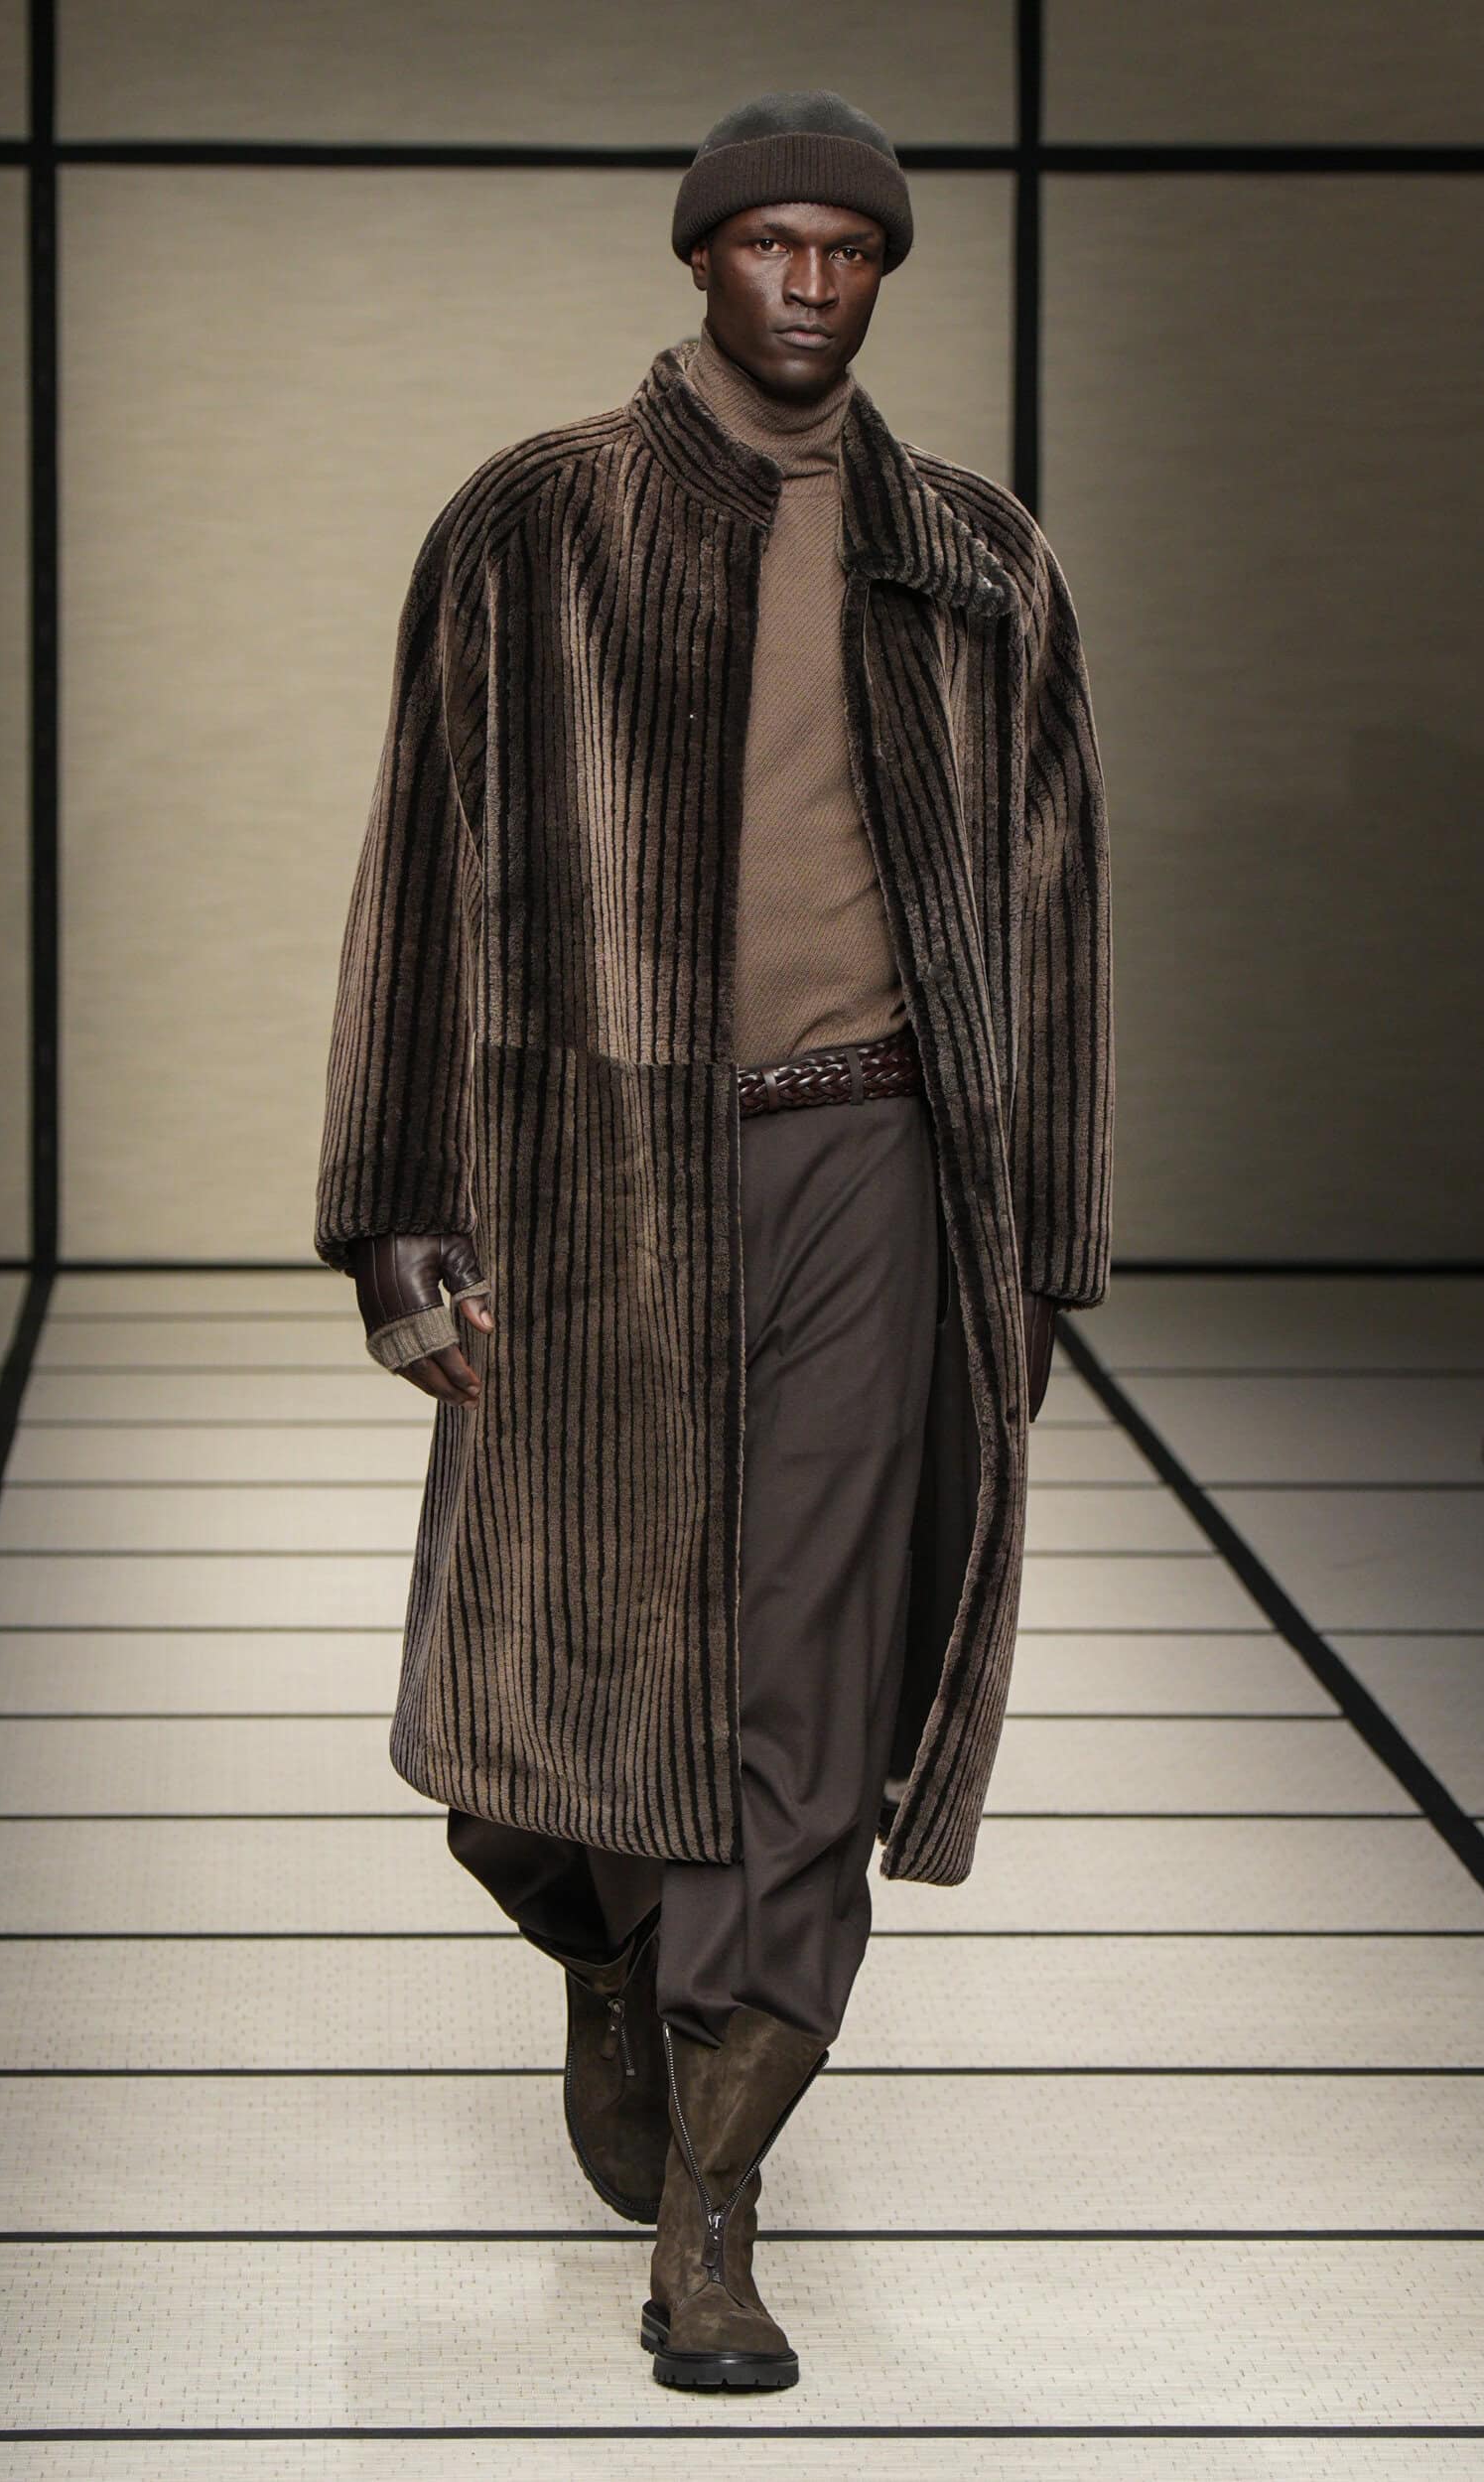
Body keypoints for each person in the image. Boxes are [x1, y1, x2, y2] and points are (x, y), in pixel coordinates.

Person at [315, 87, 1114, 2393]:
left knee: (803, 1700)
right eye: (772, 241)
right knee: (539, 1723)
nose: (811, 282)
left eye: (850, 249)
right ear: (700, 259)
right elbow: (426, 859)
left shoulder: (972, 556)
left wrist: (1039, 1240)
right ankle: (597, 1944)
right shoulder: (536, 524)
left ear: (884, 275)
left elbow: (1051, 908)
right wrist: (391, 1209)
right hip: (589, 1174)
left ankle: (713, 2213)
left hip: (877, 1157)